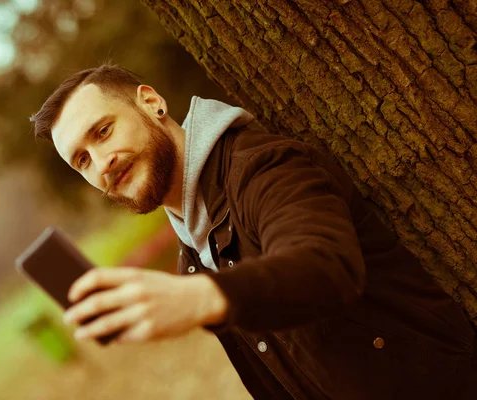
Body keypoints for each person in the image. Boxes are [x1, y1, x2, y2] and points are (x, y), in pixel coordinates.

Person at [29, 64, 477, 399]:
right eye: (82, 160)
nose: (101, 162)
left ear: (151, 102)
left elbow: (325, 265)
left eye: (103, 131)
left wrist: (201, 299)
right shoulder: (192, 252)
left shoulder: (262, 166)